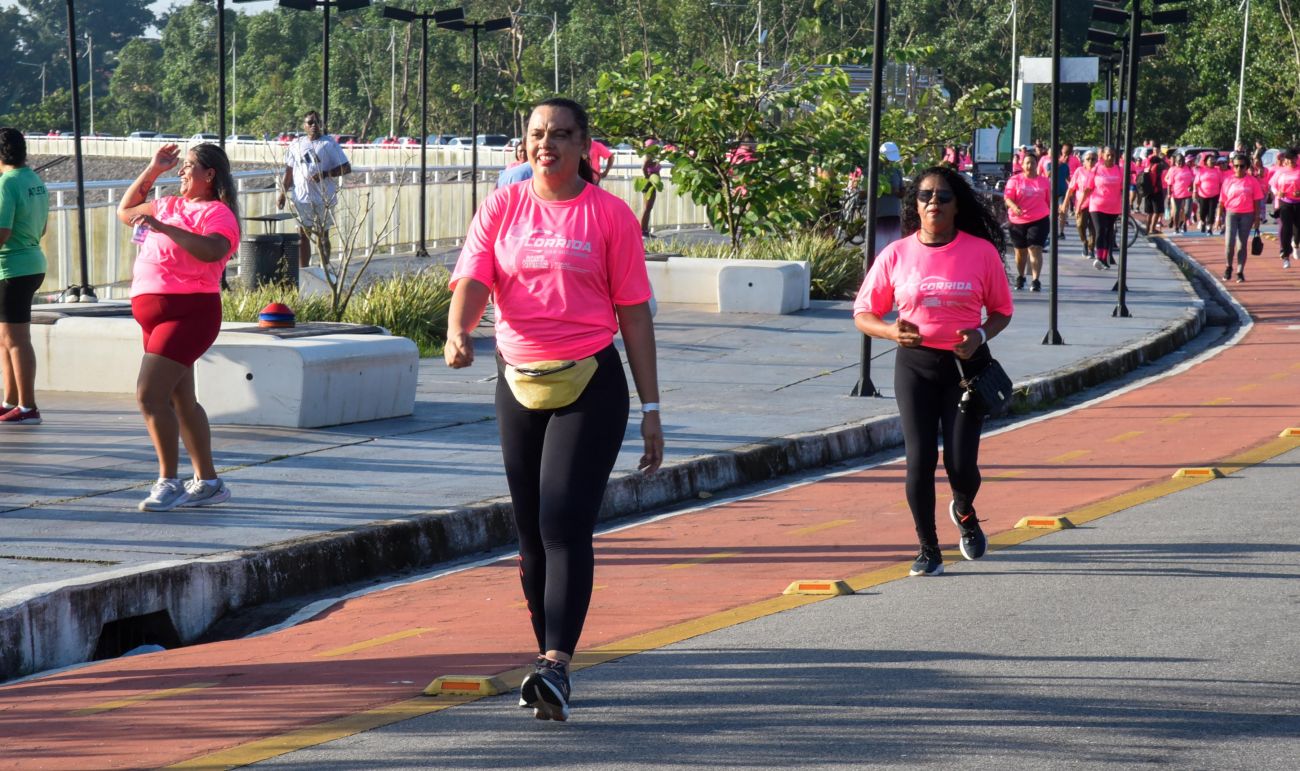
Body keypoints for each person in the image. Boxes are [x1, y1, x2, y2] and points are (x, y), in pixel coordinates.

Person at [445, 97, 663, 722]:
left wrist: (651, 407)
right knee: (531, 533)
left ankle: (556, 663)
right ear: (525, 143)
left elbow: (634, 315)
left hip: (590, 382)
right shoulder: (502, 206)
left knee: (564, 521)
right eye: (538, 134)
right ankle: (548, 660)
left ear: (584, 145)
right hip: (517, 381)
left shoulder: (610, 215)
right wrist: (459, 330)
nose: (548, 144)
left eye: (562, 134)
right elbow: (474, 278)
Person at [853, 166, 1013, 577]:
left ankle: (964, 509)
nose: (933, 203)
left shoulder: (980, 252)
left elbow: (1002, 310)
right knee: (919, 460)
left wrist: (980, 334)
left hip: (966, 370)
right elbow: (863, 313)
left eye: (943, 197)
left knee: (962, 465)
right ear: (915, 204)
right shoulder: (896, 254)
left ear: (957, 205)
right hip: (916, 367)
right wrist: (891, 331)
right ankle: (928, 549)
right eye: (925, 196)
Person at [116, 143, 239, 512]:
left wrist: (162, 227)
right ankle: (210, 482)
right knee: (180, 399)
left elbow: (212, 251)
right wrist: (154, 169)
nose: (182, 171)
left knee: (149, 395)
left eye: (188, 166)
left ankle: (168, 482)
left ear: (209, 174)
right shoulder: (168, 204)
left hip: (190, 313)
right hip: (153, 315)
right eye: (181, 167)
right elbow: (125, 211)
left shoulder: (218, 213)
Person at [0, 127, 49, 426]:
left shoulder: (6, 182)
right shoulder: (34, 179)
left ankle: (28, 407)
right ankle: (10, 401)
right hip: (31, 263)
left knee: (16, 340)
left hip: (12, 269)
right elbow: (42, 228)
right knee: (5, 339)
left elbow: (2, 232)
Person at [277, 110, 351, 269]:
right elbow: (289, 171)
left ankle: (325, 270)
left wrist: (324, 174)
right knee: (302, 235)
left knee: (323, 235)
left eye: (317, 122)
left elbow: (346, 167)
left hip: (324, 198)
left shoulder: (329, 144)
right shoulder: (296, 145)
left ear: (321, 124)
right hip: (302, 199)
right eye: (310, 122)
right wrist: (282, 194)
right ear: (304, 125)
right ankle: (304, 271)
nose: (314, 125)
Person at [1003, 151, 1050, 291]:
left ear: (1037, 165)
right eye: (1027, 163)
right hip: (1017, 220)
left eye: (1033, 163)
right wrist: (1014, 207)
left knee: (1035, 248)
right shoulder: (1015, 180)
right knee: (1020, 252)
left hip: (1039, 219)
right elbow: (1008, 198)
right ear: (1022, 165)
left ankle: (1036, 280)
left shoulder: (1044, 181)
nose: (1030, 166)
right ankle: (1021, 276)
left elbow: (1048, 201)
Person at [1215, 152, 1264, 283]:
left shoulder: (1252, 181)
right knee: (1229, 243)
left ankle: (1240, 271)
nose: (1239, 169)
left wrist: (1257, 218)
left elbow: (1257, 201)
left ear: (1246, 167)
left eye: (1242, 166)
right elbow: (1221, 201)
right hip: (1231, 213)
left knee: (1242, 244)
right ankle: (1228, 267)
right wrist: (1218, 218)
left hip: (1247, 214)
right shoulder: (1228, 180)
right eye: (1236, 166)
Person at [1083, 145, 1124, 270]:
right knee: (1100, 230)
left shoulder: (1119, 170)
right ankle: (1099, 257)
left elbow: (1123, 189)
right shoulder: (1096, 169)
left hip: (1113, 206)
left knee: (1108, 232)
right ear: (1103, 156)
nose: (1110, 157)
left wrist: (1126, 205)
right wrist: (1080, 204)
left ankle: (1105, 259)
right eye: (1108, 155)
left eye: (1112, 155)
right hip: (1097, 205)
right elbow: (1088, 188)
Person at [1063, 149, 1097, 258]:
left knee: (1093, 227)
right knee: (1080, 225)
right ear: (1083, 161)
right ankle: (1084, 242)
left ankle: (1091, 248)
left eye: (1093, 159)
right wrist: (1065, 203)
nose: (1090, 161)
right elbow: (1071, 188)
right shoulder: (1079, 171)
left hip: (1095, 204)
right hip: (1081, 203)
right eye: (1088, 159)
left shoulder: (1098, 172)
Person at [1271, 149, 1299, 269]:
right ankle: (1286, 255)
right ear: (1285, 160)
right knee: (1286, 229)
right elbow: (1273, 186)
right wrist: (1278, 192)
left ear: (1296, 159)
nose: (1290, 161)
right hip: (1285, 203)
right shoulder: (1280, 171)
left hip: (1298, 203)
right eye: (1288, 159)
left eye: (1293, 159)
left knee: (1298, 229)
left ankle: (1296, 244)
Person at [875, 141, 905, 254]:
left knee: (894, 251)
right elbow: (862, 193)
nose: (890, 161)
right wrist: (884, 189)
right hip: (878, 217)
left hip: (894, 216)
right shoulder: (873, 171)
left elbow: (902, 192)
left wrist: (901, 191)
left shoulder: (896, 171)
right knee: (878, 253)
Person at [639, 138, 663, 237]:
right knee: (647, 207)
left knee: (649, 208)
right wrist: (648, 178)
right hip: (649, 183)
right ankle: (642, 231)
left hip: (652, 183)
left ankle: (645, 230)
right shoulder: (649, 157)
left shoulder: (653, 157)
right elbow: (644, 168)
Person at [1141, 147, 1168, 233]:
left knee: (1149, 212)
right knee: (1157, 211)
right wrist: (1162, 159)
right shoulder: (1157, 166)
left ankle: (1147, 229)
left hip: (1148, 192)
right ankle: (1152, 229)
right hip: (1156, 191)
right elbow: (1167, 166)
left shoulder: (1147, 168)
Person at [1168, 153, 1196, 234]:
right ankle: (1176, 227)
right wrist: (1169, 195)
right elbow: (1169, 183)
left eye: (1182, 161)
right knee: (1177, 211)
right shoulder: (1173, 170)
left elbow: (1193, 179)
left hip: (1188, 194)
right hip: (1176, 194)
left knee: (1187, 211)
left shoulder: (1188, 168)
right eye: (1178, 161)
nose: (1180, 163)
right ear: (1175, 162)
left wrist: (1191, 186)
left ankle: (1183, 223)